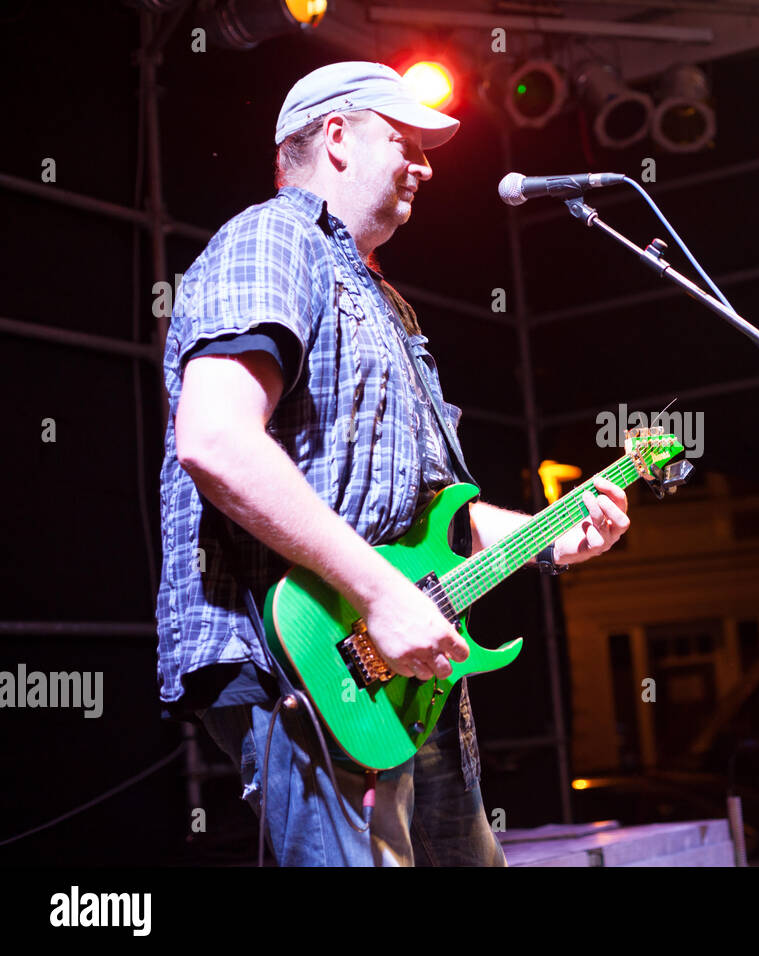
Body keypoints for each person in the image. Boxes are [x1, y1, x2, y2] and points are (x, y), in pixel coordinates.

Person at [155, 62, 630, 866]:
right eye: (403, 140)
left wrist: (555, 532)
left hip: (412, 671)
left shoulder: (386, 304)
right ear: (335, 137)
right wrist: (379, 593)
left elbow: (439, 511)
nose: (427, 163)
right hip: (301, 658)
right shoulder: (271, 238)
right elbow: (216, 441)